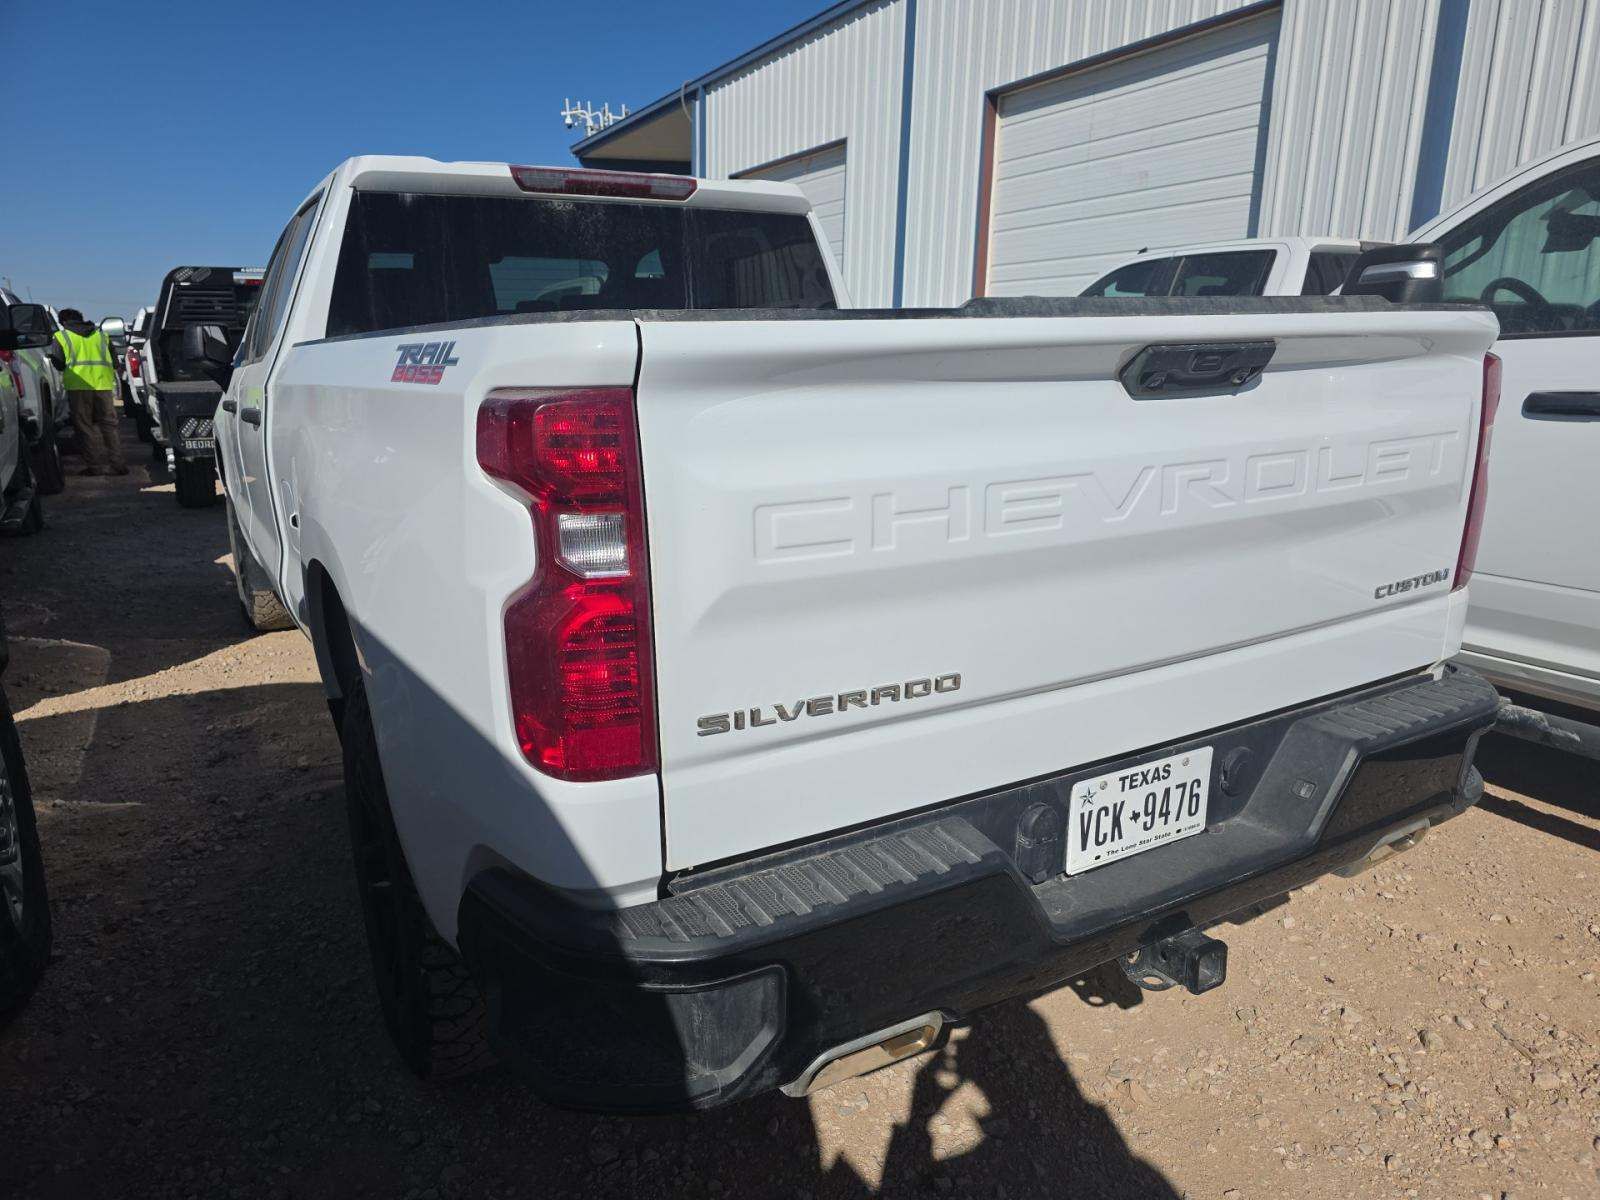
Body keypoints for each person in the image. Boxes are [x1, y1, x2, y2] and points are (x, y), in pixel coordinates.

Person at [52, 308, 128, 476]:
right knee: (109, 425)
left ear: (63, 322)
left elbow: (58, 364)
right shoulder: (101, 336)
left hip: (78, 386)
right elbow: (115, 363)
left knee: (84, 427)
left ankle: (94, 466)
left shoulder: (61, 337)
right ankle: (118, 464)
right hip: (103, 385)